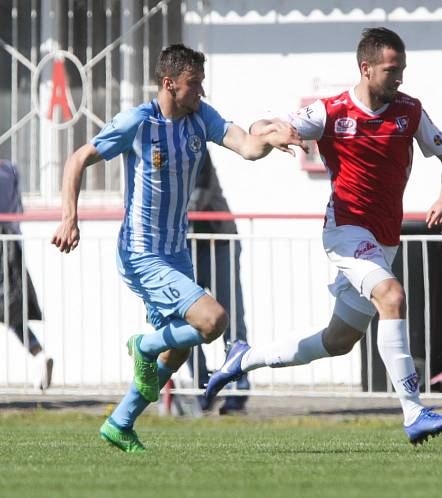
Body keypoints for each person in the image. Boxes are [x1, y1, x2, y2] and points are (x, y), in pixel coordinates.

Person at [204, 27, 442, 445]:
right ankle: (414, 412)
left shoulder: (410, 111)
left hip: (384, 240)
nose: (399, 79)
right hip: (345, 230)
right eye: (391, 70)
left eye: (402, 70)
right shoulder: (331, 112)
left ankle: (243, 358)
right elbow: (260, 126)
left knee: (338, 340)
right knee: (392, 297)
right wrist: (277, 135)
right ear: (365, 67)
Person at [51, 43, 306, 453]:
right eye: (194, 84)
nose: (201, 92)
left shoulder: (200, 117)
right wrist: (69, 217)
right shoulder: (138, 121)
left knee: (181, 348)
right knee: (214, 320)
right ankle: (143, 345)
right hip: (141, 252)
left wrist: (271, 139)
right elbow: (78, 158)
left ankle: (120, 423)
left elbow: (244, 145)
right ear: (170, 84)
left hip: (176, 253)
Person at [186, 154, 250, 414]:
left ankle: (238, 389)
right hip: (184, 246)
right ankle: (203, 387)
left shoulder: (196, 148)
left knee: (232, 317)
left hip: (219, 241)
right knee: (185, 320)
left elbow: (197, 199)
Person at [0, 159, 53, 391]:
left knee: (11, 311)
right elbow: (18, 210)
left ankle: (38, 354)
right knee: (12, 312)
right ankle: (38, 354)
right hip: (11, 247)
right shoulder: (10, 169)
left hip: (5, 244)